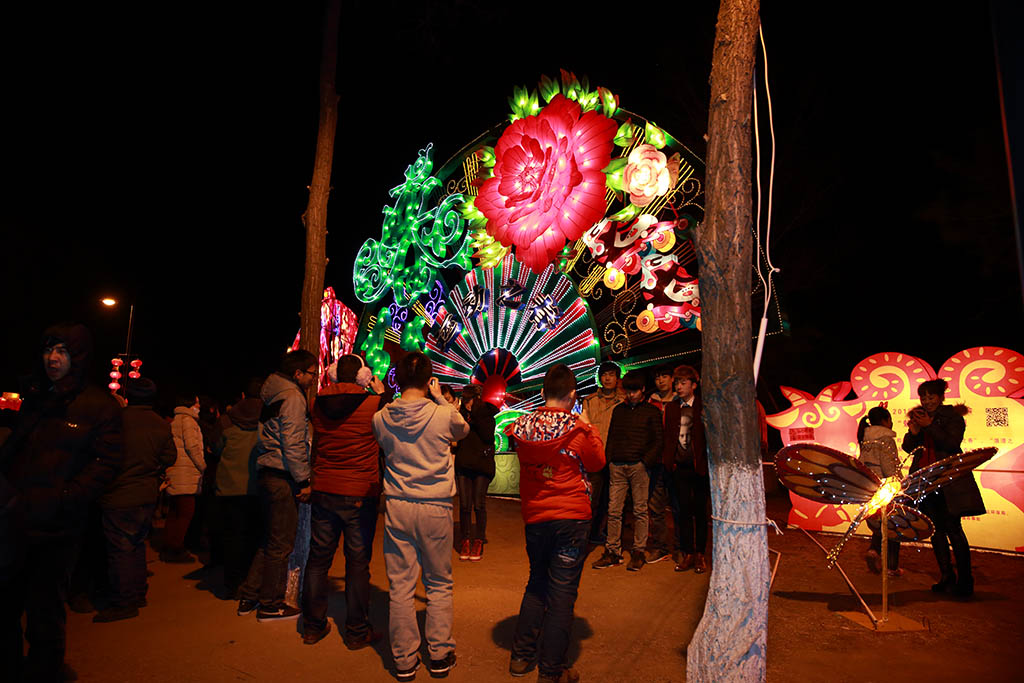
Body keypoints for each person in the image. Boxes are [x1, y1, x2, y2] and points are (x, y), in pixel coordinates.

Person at [0, 323, 123, 681]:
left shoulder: (99, 405)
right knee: (5, 605)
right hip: (14, 519)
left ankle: (44, 672)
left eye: (63, 351)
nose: (53, 358)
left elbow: (107, 463)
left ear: (79, 356)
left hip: (56, 527)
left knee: (44, 612)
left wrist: (65, 497)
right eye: (49, 350)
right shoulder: (36, 398)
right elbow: (15, 452)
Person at [373, 352, 469, 680]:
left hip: (398, 504)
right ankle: (440, 654)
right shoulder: (443, 416)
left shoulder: (381, 418)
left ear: (397, 379)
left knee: (400, 585)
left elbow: (384, 444)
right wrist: (441, 397)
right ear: (430, 379)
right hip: (436, 506)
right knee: (439, 582)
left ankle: (404, 660)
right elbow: (463, 429)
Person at [506, 364, 605, 683]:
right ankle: (552, 670)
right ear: (573, 394)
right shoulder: (577, 429)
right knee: (562, 592)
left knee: (537, 582)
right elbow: (597, 462)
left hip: (535, 516)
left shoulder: (522, 426)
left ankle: (521, 656)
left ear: (542, 392)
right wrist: (590, 428)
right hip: (571, 518)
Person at [301, 355, 388, 648]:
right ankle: (356, 631)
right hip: (360, 493)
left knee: (318, 561)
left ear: (333, 375)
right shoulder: (374, 405)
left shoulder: (317, 403)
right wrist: (380, 393)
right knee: (357, 564)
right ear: (364, 376)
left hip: (324, 489)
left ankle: (312, 627)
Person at [237, 349, 317, 622]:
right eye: (311, 373)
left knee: (270, 539)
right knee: (281, 544)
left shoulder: (272, 394)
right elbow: (293, 442)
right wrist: (304, 479)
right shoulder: (293, 397)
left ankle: (250, 594)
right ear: (298, 373)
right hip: (282, 474)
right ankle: (270, 604)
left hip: (267, 470)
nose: (312, 378)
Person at [96, 378, 176, 622]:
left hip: (120, 493)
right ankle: (138, 593)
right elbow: (170, 457)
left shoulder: (118, 421)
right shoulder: (161, 424)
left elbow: (102, 454)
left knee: (120, 549)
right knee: (137, 544)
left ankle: (124, 601)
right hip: (146, 493)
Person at [902, 378, 983, 597]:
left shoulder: (952, 417)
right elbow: (908, 447)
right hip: (925, 481)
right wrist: (915, 431)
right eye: (923, 397)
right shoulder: (920, 416)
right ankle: (946, 577)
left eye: (931, 397)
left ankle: (965, 582)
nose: (927, 401)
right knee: (935, 531)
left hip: (948, 481)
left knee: (953, 529)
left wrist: (930, 427)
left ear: (941, 397)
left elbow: (951, 444)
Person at [592, 370, 662, 572]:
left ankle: (638, 551)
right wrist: (610, 459)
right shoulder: (619, 410)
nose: (631, 395)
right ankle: (613, 551)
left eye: (634, 391)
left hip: (638, 467)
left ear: (642, 390)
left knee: (640, 510)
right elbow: (612, 436)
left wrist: (644, 462)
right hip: (618, 465)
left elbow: (658, 441)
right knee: (614, 510)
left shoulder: (652, 412)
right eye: (628, 391)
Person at [212, 378, 263, 600]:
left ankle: (232, 583)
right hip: (257, 486)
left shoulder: (225, 421)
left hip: (228, 487)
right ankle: (251, 583)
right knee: (255, 537)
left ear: (243, 395)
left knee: (232, 537)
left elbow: (216, 449)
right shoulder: (268, 418)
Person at [662, 365, 709, 573]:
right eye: (677, 383)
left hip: (699, 467)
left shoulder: (703, 406)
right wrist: (668, 461)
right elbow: (668, 436)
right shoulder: (672, 408)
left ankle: (700, 554)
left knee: (700, 511)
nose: (678, 387)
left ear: (694, 385)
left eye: (683, 383)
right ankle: (688, 552)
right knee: (682, 512)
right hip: (679, 467)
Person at [856, 405, 903, 577]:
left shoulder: (865, 439)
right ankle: (892, 567)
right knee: (894, 526)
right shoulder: (886, 439)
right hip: (886, 487)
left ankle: (873, 550)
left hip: (870, 487)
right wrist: (899, 483)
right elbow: (889, 467)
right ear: (885, 421)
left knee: (878, 523)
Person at [579, 361, 623, 544]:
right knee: (591, 500)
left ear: (617, 378)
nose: (607, 378)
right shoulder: (589, 401)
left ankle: (602, 533)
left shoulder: (623, 401)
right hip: (595, 458)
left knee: (612, 502)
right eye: (604, 374)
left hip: (615, 458)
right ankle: (586, 536)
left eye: (611, 374)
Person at [453, 384, 497, 562]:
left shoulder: (485, 412)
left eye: (469, 398)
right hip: (464, 463)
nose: (466, 402)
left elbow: (488, 436)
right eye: (464, 398)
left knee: (478, 504)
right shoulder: (460, 413)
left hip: (481, 464)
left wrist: (475, 415)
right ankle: (465, 539)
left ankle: (478, 539)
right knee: (464, 505)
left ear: (477, 398)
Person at [162, 394, 205, 563]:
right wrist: (202, 465)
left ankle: (168, 545)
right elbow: (192, 446)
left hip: (176, 471)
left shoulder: (176, 420)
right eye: (196, 402)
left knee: (175, 511)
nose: (199, 405)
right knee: (186, 512)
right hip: (186, 472)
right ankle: (175, 549)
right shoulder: (188, 421)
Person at [644, 365, 676, 563]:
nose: (661, 380)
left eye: (665, 376)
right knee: (655, 508)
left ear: (672, 379)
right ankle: (660, 547)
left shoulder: (680, 401)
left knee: (679, 507)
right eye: (658, 377)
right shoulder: (650, 402)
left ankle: (683, 548)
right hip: (655, 461)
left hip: (677, 460)